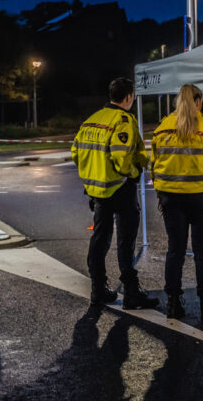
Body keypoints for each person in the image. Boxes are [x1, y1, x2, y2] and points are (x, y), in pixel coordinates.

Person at [71, 77, 159, 309]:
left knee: (99, 239)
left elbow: (75, 153)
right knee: (125, 241)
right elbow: (122, 160)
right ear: (129, 97)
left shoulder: (92, 119)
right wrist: (134, 172)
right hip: (120, 188)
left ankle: (98, 290)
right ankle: (131, 293)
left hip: (97, 190)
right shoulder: (124, 121)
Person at [151, 84, 203, 321]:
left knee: (175, 250)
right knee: (202, 251)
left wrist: (161, 194)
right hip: (200, 198)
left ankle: (174, 304)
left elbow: (153, 164)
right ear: (198, 101)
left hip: (170, 198)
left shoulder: (162, 127)